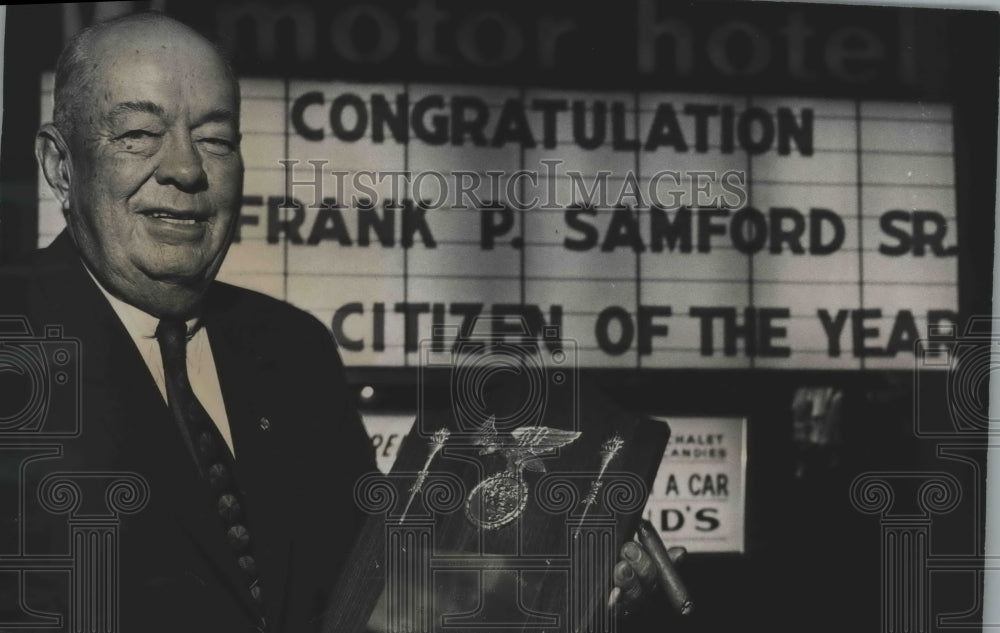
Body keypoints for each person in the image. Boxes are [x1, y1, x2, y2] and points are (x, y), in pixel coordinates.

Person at [1, 12, 671, 633]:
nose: (184, 169)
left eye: (215, 139)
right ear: (60, 165)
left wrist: (578, 573)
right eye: (139, 135)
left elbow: (376, 592)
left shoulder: (294, 348)